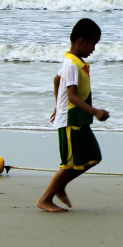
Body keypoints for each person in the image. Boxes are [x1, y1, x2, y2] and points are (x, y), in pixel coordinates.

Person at [37, 18, 110, 213]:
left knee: (93, 157)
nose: (94, 49)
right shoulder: (71, 64)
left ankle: (60, 186)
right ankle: (45, 199)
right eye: (93, 43)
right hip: (70, 120)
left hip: (79, 120)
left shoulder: (74, 62)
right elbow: (71, 95)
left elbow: (56, 80)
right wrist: (94, 111)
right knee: (70, 164)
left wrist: (56, 104)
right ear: (81, 41)